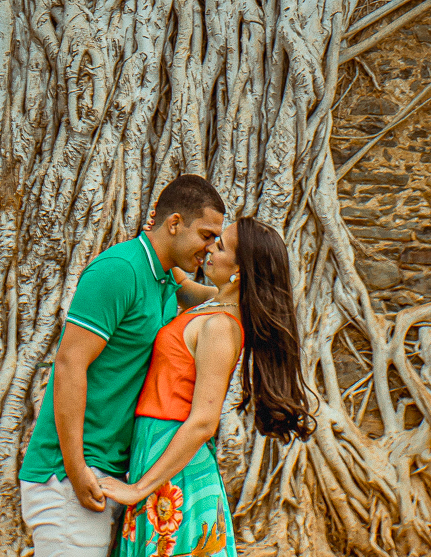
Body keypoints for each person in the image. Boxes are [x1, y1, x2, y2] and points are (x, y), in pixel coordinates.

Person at [19, 174, 227, 557]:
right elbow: (69, 365)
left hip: (115, 474)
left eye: (217, 240)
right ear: (174, 223)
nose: (211, 248)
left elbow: (215, 298)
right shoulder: (119, 270)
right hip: (69, 475)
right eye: (206, 235)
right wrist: (76, 468)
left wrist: (251, 287)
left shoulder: (165, 280)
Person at [99, 216, 313, 557]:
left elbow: (203, 422)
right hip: (157, 452)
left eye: (221, 246)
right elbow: (180, 282)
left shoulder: (220, 327)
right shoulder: (214, 303)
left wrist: (138, 489)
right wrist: (162, 237)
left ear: (239, 270)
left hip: (174, 461)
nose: (210, 248)